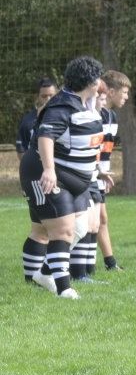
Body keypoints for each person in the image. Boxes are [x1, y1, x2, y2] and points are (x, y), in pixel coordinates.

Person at [19, 56, 106, 299]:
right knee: (62, 231)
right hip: (47, 174)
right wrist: (49, 170)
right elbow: (46, 137)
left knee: (82, 226)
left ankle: (44, 272)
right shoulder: (63, 105)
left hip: (75, 178)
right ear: (90, 81)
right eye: (98, 78)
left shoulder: (83, 103)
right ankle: (63, 288)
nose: (100, 83)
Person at [95, 70, 130, 273]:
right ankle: (108, 263)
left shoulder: (112, 116)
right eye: (124, 92)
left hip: (101, 175)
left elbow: (106, 151)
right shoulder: (95, 115)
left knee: (100, 219)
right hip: (90, 173)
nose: (126, 97)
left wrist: (105, 174)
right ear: (110, 91)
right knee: (97, 219)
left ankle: (107, 263)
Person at [15, 77, 58, 155]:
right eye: (44, 96)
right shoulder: (27, 121)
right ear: (37, 97)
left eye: (51, 96)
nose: (48, 99)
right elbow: (21, 150)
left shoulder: (65, 118)